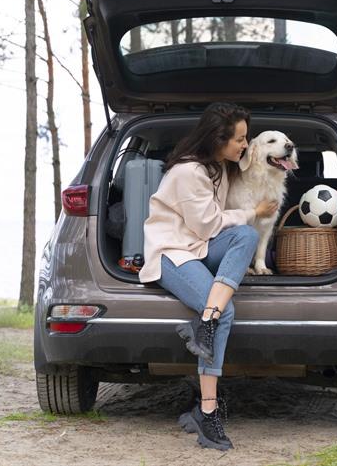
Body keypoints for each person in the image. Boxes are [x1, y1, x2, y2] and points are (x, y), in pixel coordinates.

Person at [139, 102, 279, 451]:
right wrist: (253, 211)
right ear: (219, 139)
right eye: (240, 139)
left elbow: (219, 226)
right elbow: (208, 225)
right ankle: (207, 411)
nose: (245, 145)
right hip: (173, 252)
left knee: (245, 236)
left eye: (246, 139)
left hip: (200, 248)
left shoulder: (220, 166)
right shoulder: (188, 173)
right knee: (224, 311)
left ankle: (204, 323)